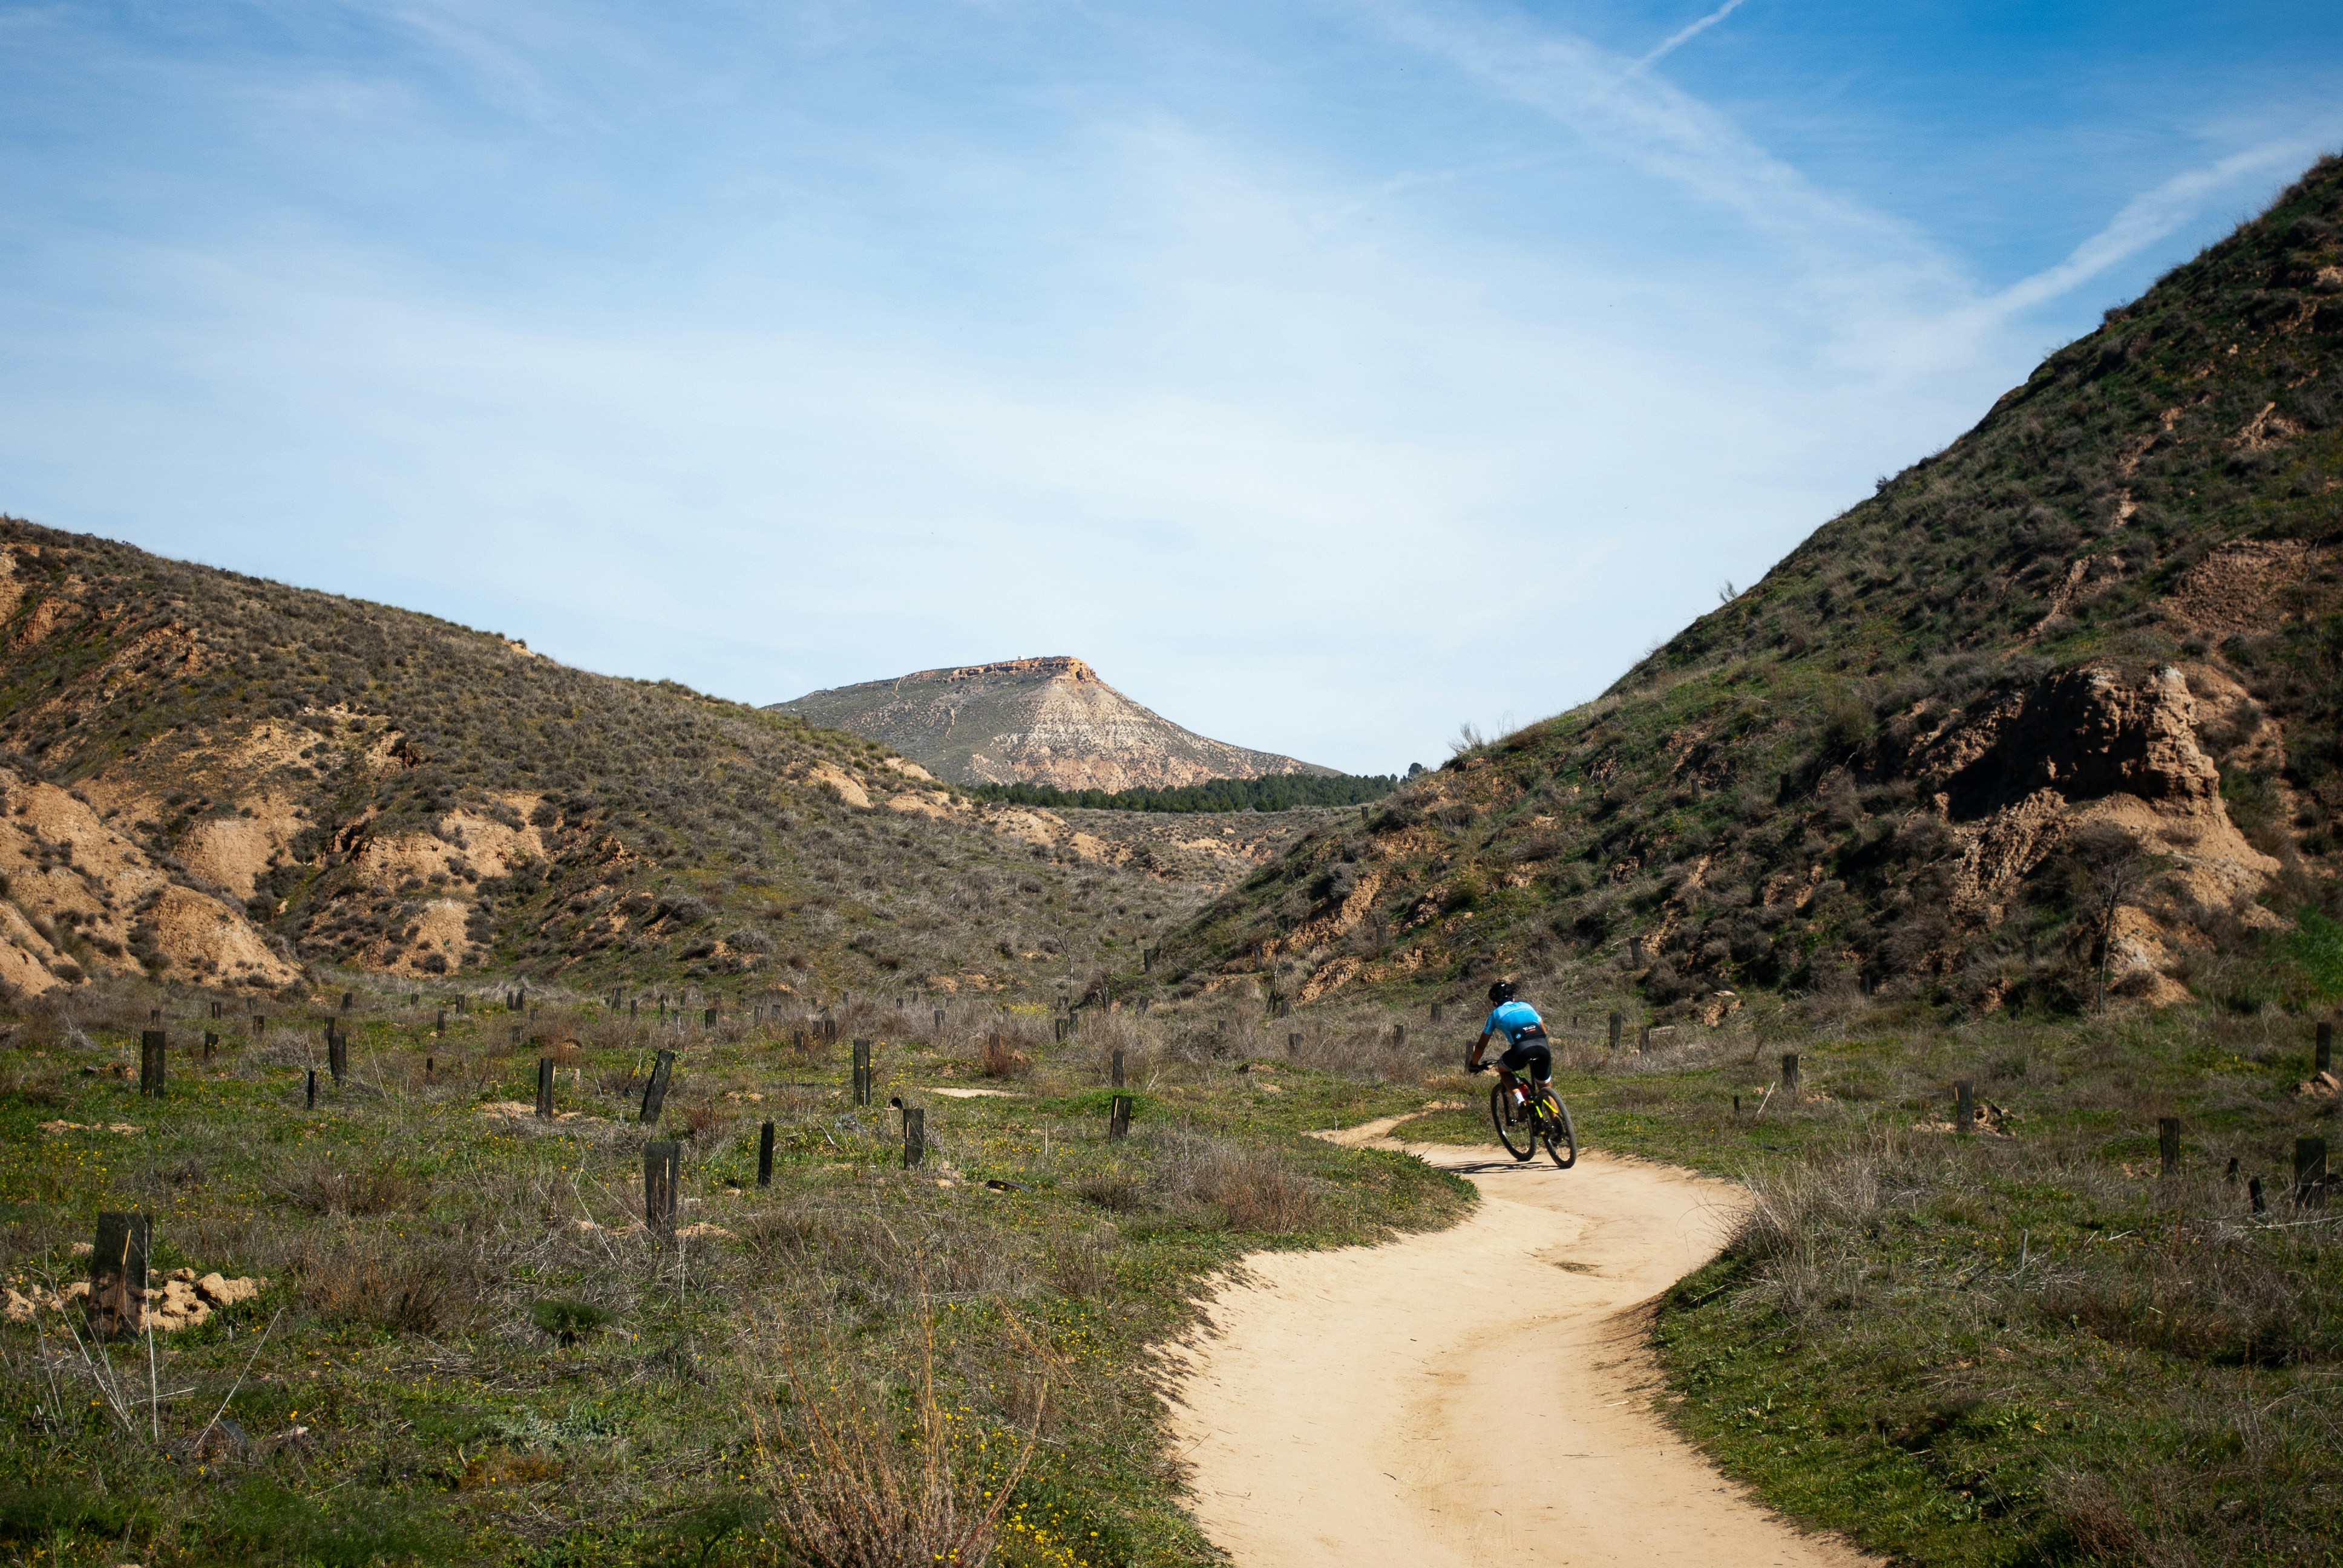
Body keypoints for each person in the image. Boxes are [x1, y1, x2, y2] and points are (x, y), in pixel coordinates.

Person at [1467, 979, 1551, 1118]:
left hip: (1521, 1049)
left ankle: (1520, 1100)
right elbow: (1544, 1031)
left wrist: (1474, 1064)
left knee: (1503, 1070)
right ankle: (1558, 1128)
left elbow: (1481, 1046)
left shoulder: (1495, 1015)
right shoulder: (1527, 1006)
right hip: (1542, 1045)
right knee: (1546, 1089)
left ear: (1495, 1003)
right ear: (1514, 998)